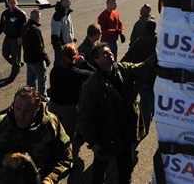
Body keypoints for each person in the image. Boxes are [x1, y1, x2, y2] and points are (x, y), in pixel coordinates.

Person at [77, 42, 156, 184]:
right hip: (106, 136)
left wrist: (158, 54)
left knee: (126, 171)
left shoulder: (122, 69)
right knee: (99, 174)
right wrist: (94, 143)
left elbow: (141, 68)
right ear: (96, 60)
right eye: (105, 53)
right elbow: (85, 119)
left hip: (125, 133)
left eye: (109, 51)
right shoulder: (91, 86)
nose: (110, 54)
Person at [0, 86, 73, 184]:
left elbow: (65, 159)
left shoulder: (50, 124)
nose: (21, 116)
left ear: (37, 108)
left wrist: (50, 179)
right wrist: (4, 159)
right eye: (17, 109)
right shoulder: (1, 124)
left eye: (27, 110)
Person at [48, 43, 94, 164]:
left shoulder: (55, 70)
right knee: (68, 137)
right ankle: (67, 160)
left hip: (53, 105)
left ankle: (52, 156)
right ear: (76, 56)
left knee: (54, 133)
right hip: (69, 108)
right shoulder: (77, 73)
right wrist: (84, 62)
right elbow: (95, 74)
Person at [122, 19, 157, 133]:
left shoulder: (140, 41)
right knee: (153, 102)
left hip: (143, 78)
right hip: (156, 79)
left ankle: (144, 127)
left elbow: (128, 57)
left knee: (145, 104)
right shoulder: (158, 42)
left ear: (145, 28)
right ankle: (149, 120)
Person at [0, 0, 27, 83]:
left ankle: (13, 75)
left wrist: (21, 37)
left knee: (15, 58)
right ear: (8, 3)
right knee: (5, 54)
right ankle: (17, 65)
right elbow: (1, 25)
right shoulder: (5, 13)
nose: (13, 5)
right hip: (7, 37)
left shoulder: (21, 14)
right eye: (11, 3)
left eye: (14, 3)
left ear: (17, 3)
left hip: (16, 39)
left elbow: (25, 28)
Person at [22, 9, 51, 96]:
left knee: (30, 81)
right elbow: (39, 47)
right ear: (38, 18)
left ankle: (30, 97)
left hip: (28, 59)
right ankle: (43, 98)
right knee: (42, 80)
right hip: (37, 60)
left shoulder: (24, 27)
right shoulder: (35, 30)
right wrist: (46, 59)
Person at [50, 0, 75, 67]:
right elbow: (55, 31)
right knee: (59, 62)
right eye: (69, 2)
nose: (70, 3)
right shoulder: (58, 15)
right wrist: (58, 44)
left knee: (67, 62)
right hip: (61, 45)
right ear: (63, 2)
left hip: (68, 44)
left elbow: (69, 28)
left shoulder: (67, 13)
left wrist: (72, 38)